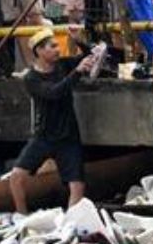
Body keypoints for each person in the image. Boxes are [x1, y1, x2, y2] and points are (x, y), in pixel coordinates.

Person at [9, 29, 98, 214]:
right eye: (53, 46)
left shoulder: (63, 65)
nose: (58, 50)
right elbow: (54, 93)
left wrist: (79, 41)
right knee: (16, 176)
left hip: (68, 134)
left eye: (58, 45)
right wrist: (76, 73)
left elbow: (91, 56)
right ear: (39, 51)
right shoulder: (31, 78)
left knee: (77, 185)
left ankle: (70, 221)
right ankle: (21, 215)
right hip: (44, 135)